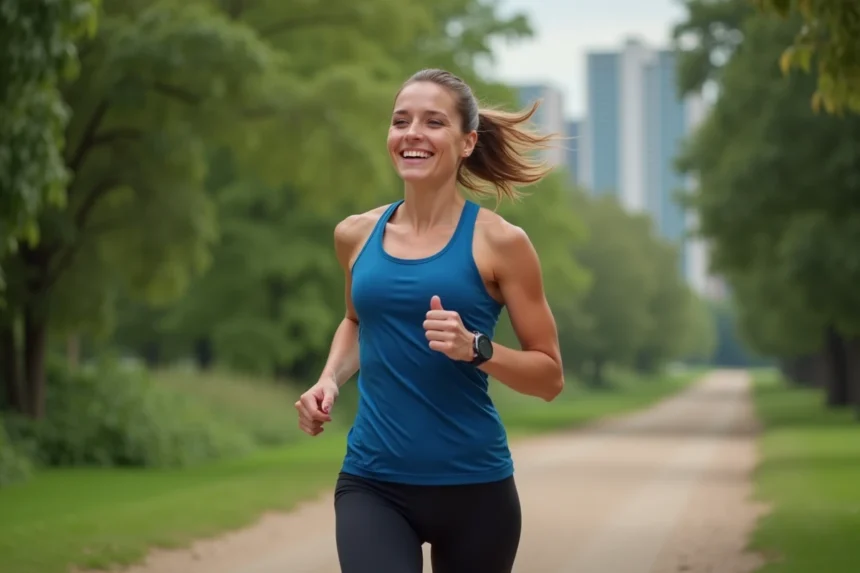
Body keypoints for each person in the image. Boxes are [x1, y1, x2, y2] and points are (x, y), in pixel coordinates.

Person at [294, 68, 565, 573]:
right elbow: (356, 321)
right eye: (401, 121)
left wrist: (476, 348)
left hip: (475, 489)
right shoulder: (355, 235)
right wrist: (328, 380)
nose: (412, 133)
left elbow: (549, 377)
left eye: (433, 122)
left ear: (467, 143)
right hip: (372, 481)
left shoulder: (502, 243)